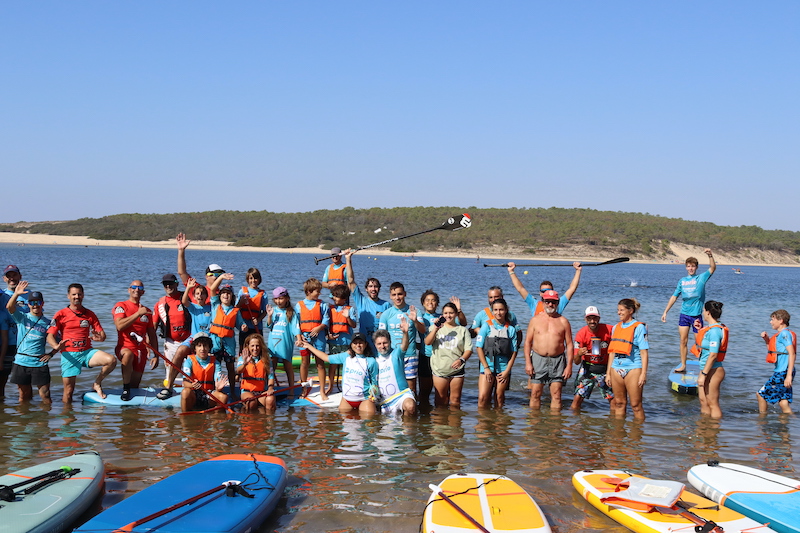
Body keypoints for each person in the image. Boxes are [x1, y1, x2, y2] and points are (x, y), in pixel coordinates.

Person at [46, 283, 117, 403]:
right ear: (68, 296)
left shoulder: (89, 314)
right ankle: (67, 418)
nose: (76, 297)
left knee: (111, 360)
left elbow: (102, 335)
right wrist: (56, 346)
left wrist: (99, 337)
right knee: (68, 392)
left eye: (79, 294)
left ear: (83, 295)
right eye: (73, 294)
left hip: (87, 352)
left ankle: (97, 383)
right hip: (69, 355)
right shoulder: (61, 314)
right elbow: (50, 336)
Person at [6, 282, 63, 403]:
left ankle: (44, 420)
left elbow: (59, 342)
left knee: (45, 396)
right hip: (21, 362)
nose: (35, 305)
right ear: (28, 304)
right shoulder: (22, 317)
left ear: (42, 304)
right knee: (23, 396)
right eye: (32, 302)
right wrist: (16, 294)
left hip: (39, 363)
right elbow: (9, 307)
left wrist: (51, 354)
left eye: (38, 302)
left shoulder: (48, 323)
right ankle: (24, 419)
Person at [661, 249, 716, 372]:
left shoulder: (701, 278)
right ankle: (683, 365)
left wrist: (710, 255)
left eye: (693, 266)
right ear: (686, 267)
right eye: (688, 266)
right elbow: (674, 296)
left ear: (696, 267)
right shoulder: (682, 281)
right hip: (684, 315)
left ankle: (704, 365)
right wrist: (665, 312)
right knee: (683, 341)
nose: (691, 268)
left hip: (696, 316)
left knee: (700, 342)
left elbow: (712, 268)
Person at [299, 333, 380, 416]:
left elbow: (375, 383)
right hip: (347, 400)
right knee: (346, 425)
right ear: (351, 345)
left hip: (365, 399)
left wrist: (374, 391)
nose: (358, 345)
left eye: (360, 343)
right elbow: (325, 358)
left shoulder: (371, 361)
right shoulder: (346, 356)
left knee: (369, 423)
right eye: (355, 343)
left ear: (365, 344)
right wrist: (309, 346)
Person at [159, 278, 213, 399]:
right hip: (193, 339)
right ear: (194, 296)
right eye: (197, 294)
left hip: (208, 340)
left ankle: (213, 386)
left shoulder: (212, 308)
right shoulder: (193, 307)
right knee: (180, 351)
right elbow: (184, 301)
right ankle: (169, 387)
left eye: (202, 293)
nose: (200, 296)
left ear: (206, 295)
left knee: (216, 356)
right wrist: (188, 287)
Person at [523, 290, 573, 410]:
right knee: (535, 394)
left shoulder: (563, 321)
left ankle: (555, 426)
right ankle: (534, 424)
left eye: (553, 302)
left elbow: (570, 345)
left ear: (557, 303)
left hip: (558, 360)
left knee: (556, 395)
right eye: (548, 302)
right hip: (538, 359)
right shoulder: (535, 320)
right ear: (543, 302)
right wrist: (528, 363)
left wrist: (569, 366)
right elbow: (527, 343)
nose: (550, 305)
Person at [112, 280, 159, 400]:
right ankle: (125, 388)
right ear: (129, 290)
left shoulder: (147, 312)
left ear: (143, 292)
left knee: (135, 385)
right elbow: (119, 326)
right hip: (124, 348)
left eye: (139, 288)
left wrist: (156, 355)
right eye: (134, 287)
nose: (136, 289)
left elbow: (152, 335)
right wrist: (138, 314)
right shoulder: (121, 306)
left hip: (141, 351)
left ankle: (132, 415)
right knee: (128, 355)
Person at [607, 298, 649, 420]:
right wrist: (608, 373)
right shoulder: (616, 328)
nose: (618, 313)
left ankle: (637, 436)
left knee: (636, 405)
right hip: (616, 369)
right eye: (618, 310)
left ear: (630, 311)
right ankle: (618, 435)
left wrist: (643, 374)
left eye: (621, 310)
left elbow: (644, 352)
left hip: (633, 369)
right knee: (619, 403)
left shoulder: (639, 327)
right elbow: (612, 353)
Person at [426, 302, 473, 409]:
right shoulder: (436, 328)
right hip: (440, 369)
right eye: (446, 313)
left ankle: (455, 424)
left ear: (456, 314)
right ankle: (440, 425)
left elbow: (469, 349)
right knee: (440, 401)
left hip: (457, 370)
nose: (448, 315)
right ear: (442, 315)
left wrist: (462, 359)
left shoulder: (462, 330)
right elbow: (427, 342)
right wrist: (435, 329)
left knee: (455, 401)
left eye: (451, 313)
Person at [475, 298, 518, 409]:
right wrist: (486, 368)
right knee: (483, 397)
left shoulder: (511, 329)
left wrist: (507, 371)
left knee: (499, 397)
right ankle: (483, 422)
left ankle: (499, 422)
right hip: (487, 367)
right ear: (492, 311)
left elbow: (514, 352)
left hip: (503, 369)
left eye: (501, 310)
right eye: (496, 310)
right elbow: (479, 348)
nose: (498, 312)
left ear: (506, 310)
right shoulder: (486, 326)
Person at [208, 273, 248, 394]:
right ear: (220, 296)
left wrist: (244, 327)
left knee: (230, 368)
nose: (226, 295)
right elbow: (212, 289)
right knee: (215, 367)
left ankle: (232, 391)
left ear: (232, 296)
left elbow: (240, 326)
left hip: (229, 344)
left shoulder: (236, 311)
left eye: (228, 293)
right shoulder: (215, 305)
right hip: (215, 343)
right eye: (224, 293)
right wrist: (221, 278)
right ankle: (214, 390)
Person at [378, 282, 420, 393]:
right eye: (394, 295)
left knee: (411, 390)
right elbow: (380, 337)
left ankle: (413, 409)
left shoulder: (414, 311)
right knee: (392, 387)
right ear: (390, 296)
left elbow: (422, 330)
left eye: (400, 294)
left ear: (405, 294)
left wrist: (415, 320)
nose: (397, 297)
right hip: (392, 356)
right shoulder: (386, 314)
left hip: (409, 356)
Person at [570, 306, 614, 411]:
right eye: (589, 318)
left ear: (599, 318)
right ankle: (574, 423)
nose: (592, 321)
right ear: (585, 319)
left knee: (614, 401)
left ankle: (614, 425)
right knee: (576, 401)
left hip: (605, 368)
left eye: (595, 318)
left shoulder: (610, 329)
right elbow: (576, 362)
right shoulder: (581, 334)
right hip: (588, 367)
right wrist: (579, 354)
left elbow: (623, 330)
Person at [344, 249, 390, 348]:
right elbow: (351, 281)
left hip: (381, 345)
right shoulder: (361, 301)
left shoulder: (386, 305)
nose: (373, 289)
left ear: (379, 288)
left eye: (376, 286)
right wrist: (348, 259)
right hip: (365, 344)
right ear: (366, 289)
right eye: (370, 286)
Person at [295, 278, 331, 400]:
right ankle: (304, 388)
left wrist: (319, 328)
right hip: (305, 339)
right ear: (309, 291)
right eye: (317, 291)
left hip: (319, 338)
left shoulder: (322, 305)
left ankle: (322, 390)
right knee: (304, 363)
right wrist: (299, 338)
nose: (319, 293)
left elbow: (326, 319)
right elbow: (296, 324)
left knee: (320, 365)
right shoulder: (299, 306)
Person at [691, 301, 728, 418]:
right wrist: (697, 329)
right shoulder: (709, 329)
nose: (702, 313)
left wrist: (703, 374)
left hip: (714, 370)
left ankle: (714, 431)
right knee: (703, 401)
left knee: (712, 403)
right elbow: (701, 345)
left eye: (703, 311)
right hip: (705, 369)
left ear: (708, 312)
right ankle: (705, 429)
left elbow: (713, 355)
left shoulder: (715, 331)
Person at [153, 273, 191, 384]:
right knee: (171, 372)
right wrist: (150, 349)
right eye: (165, 284)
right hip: (171, 343)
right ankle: (170, 390)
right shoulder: (160, 304)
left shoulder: (186, 298)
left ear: (177, 284)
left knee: (191, 371)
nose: (168, 286)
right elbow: (153, 328)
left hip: (189, 342)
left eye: (170, 283)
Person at [507, 261, 582, 316]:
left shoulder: (558, 304)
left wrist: (578, 271)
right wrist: (511, 272)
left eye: (548, 291)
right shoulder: (534, 304)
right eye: (543, 291)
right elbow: (520, 289)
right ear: (540, 293)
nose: (546, 293)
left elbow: (572, 289)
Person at [757, 309, 796, 414]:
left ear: (781, 321)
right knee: (783, 402)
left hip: (783, 372)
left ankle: (762, 422)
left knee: (761, 395)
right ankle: (789, 425)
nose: (770, 322)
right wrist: (767, 340)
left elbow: (792, 353)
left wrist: (788, 376)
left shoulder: (784, 334)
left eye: (772, 319)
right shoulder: (782, 334)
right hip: (784, 371)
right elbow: (773, 352)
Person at [375, 320, 415, 416]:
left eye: (385, 343)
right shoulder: (373, 361)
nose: (382, 346)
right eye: (379, 344)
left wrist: (405, 333)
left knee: (410, 407)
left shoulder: (396, 354)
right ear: (375, 345)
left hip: (402, 395)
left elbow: (404, 346)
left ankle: (409, 429)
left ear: (390, 342)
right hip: (384, 402)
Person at [180, 333, 229, 412]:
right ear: (195, 348)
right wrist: (192, 385)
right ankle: (185, 419)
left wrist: (218, 388)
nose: (202, 349)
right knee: (185, 392)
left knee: (223, 397)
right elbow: (185, 383)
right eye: (199, 346)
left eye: (205, 346)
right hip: (194, 394)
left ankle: (216, 421)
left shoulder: (215, 362)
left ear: (209, 347)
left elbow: (218, 378)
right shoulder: (189, 361)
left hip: (209, 394)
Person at [0, 265, 27, 395]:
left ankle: (23, 410)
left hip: (24, 345)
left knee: (23, 383)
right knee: (2, 380)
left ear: (20, 277)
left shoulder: (28, 295)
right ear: (4, 278)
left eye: (14, 275)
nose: (12, 278)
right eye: (9, 276)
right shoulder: (2, 295)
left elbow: (39, 318)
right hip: (7, 344)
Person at [266, 286, 298, 393]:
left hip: (285, 342)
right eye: (276, 299)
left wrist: (298, 338)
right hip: (273, 343)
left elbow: (295, 327)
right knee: (271, 366)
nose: (278, 301)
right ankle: (269, 387)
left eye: (281, 298)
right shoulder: (273, 311)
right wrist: (269, 316)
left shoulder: (291, 313)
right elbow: (269, 326)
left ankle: (291, 389)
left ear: (287, 298)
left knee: (287, 364)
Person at [327, 284, 356, 393]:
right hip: (333, 342)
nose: (334, 298)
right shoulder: (329, 309)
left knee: (347, 365)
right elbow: (327, 324)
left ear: (344, 298)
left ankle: (347, 386)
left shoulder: (350, 309)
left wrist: (347, 317)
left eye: (337, 296)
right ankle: (330, 386)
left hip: (346, 342)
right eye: (333, 296)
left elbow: (353, 325)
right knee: (332, 365)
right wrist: (328, 335)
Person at [236, 333, 276, 412]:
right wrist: (245, 363)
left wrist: (270, 388)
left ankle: (268, 422)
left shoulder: (267, 360)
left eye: (257, 346)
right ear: (248, 346)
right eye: (252, 346)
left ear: (261, 347)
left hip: (261, 392)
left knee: (270, 400)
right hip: (247, 392)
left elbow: (271, 377)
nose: (255, 348)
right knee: (252, 403)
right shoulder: (242, 358)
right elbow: (238, 371)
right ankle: (251, 420)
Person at [236, 267, 267, 350]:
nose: (253, 281)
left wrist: (258, 319)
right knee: (244, 350)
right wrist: (241, 302)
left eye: (255, 278)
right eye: (251, 278)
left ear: (259, 279)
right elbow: (236, 309)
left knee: (257, 350)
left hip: (256, 327)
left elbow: (265, 311)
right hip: (244, 327)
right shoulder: (242, 292)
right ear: (247, 279)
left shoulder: (263, 294)